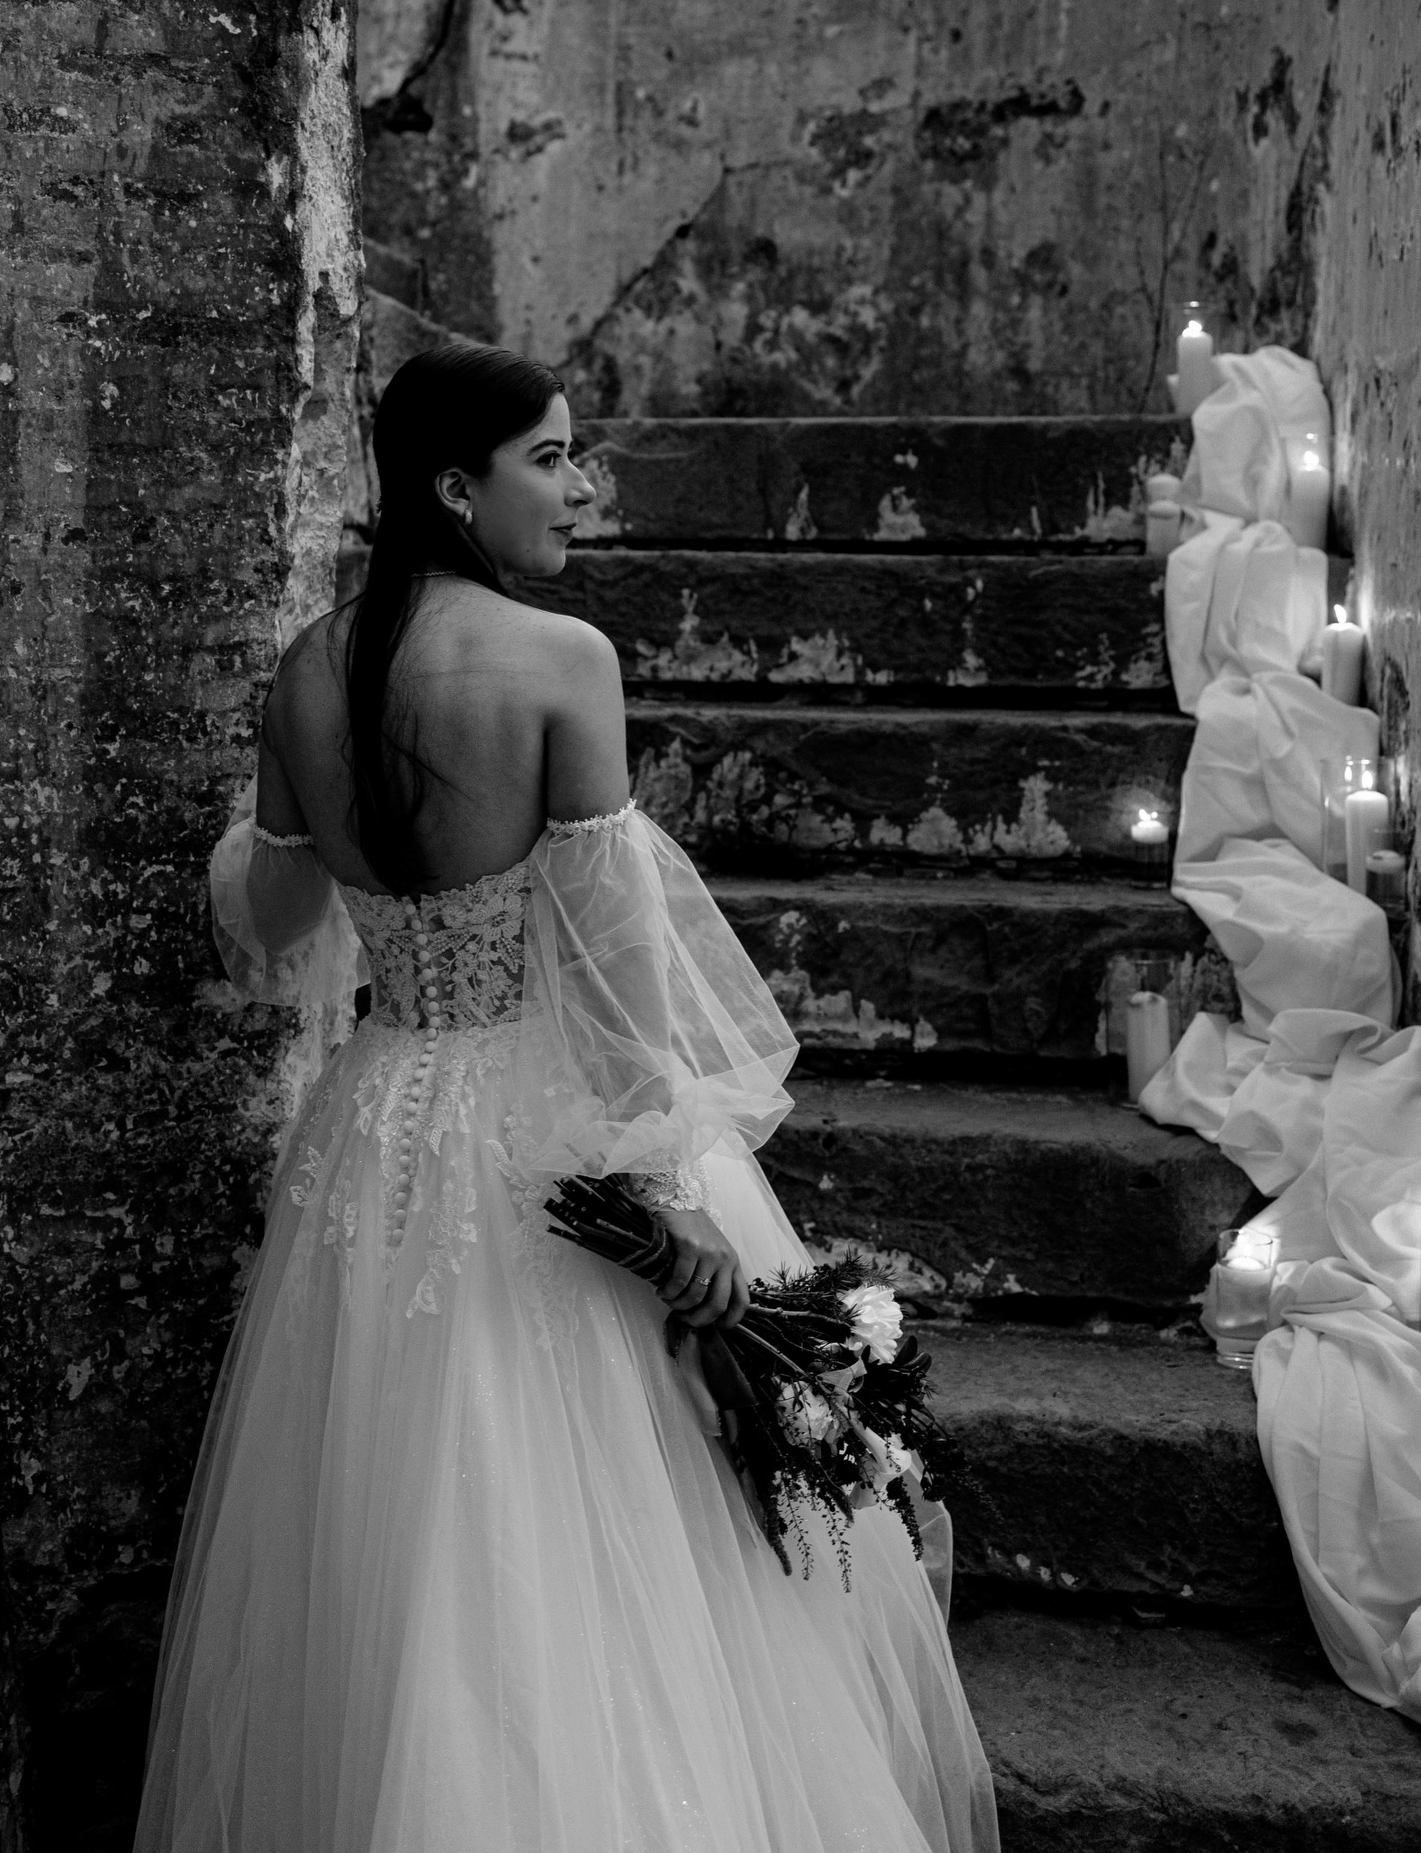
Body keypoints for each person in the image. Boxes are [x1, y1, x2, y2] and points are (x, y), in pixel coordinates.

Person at [133, 343, 999, 1853]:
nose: (582, 489)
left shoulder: (303, 671)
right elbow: (618, 976)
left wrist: (290, 810)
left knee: (391, 1513)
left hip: (376, 1126)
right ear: (455, 489)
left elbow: (271, 932)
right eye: (551, 459)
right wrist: (664, 1198)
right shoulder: (561, 664)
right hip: (546, 1128)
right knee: (591, 1537)